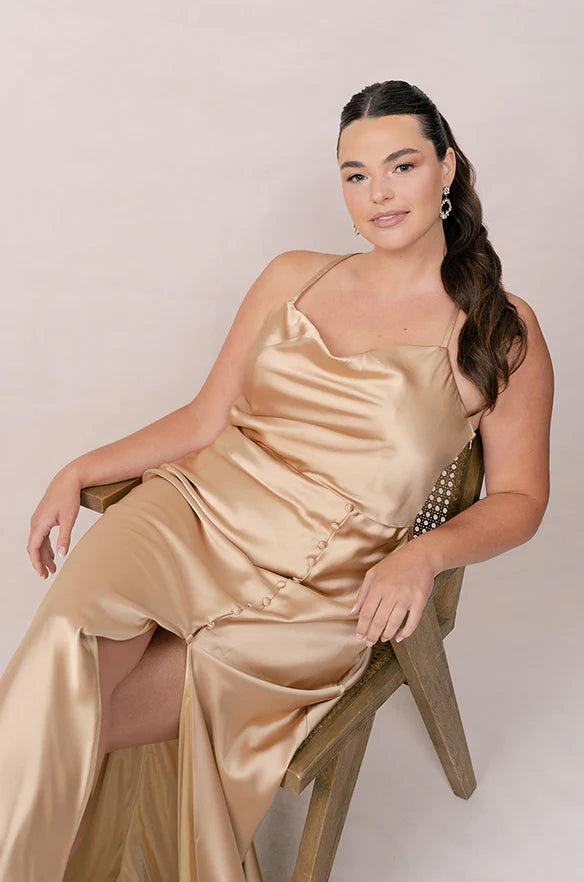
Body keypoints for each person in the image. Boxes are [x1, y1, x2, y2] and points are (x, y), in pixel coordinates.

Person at [0, 79, 553, 882]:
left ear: (446, 168)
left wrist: (422, 555)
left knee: (90, 716)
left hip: (324, 584)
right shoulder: (294, 275)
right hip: (194, 512)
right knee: (59, 657)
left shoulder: (502, 330)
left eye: (400, 166)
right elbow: (204, 420)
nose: (377, 193)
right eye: (355, 174)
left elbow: (522, 500)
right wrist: (77, 469)